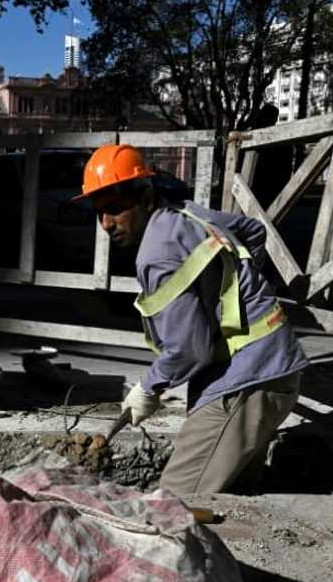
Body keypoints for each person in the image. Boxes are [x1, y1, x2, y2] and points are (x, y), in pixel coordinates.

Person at [78, 144, 309, 493]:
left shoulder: (156, 255)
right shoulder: (188, 214)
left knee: (173, 501)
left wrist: (148, 388)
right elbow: (253, 232)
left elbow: (189, 350)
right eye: (99, 213)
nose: (106, 224)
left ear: (145, 196)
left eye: (114, 209)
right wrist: (238, 296)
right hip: (273, 366)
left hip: (249, 379)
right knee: (234, 492)